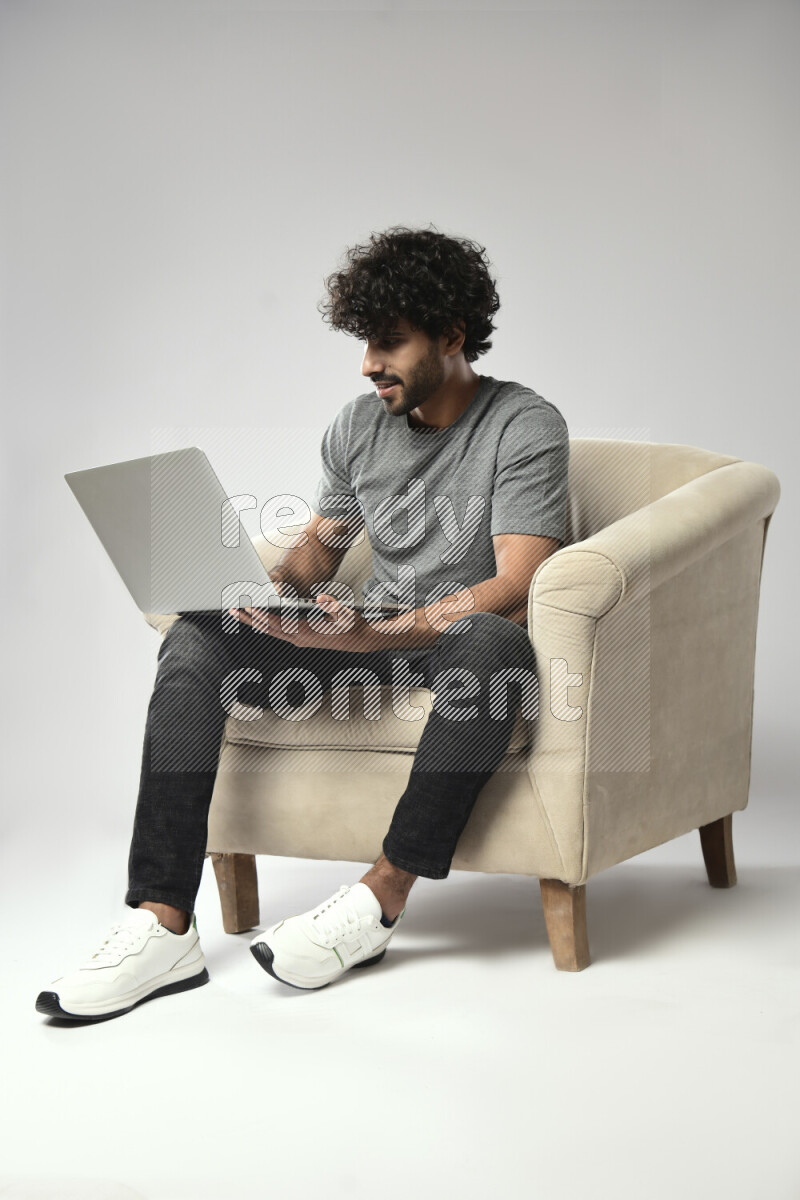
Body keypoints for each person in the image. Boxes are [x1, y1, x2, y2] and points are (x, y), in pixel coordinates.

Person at [36, 225, 570, 1020]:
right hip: (362, 637)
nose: (368, 364)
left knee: (494, 647)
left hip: (450, 645)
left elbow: (519, 582)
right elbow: (320, 551)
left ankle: (378, 900)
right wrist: (267, 592)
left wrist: (382, 632)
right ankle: (162, 923)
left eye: (389, 343)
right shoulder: (358, 426)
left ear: (452, 336)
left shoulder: (522, 426)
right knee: (194, 638)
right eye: (364, 342)